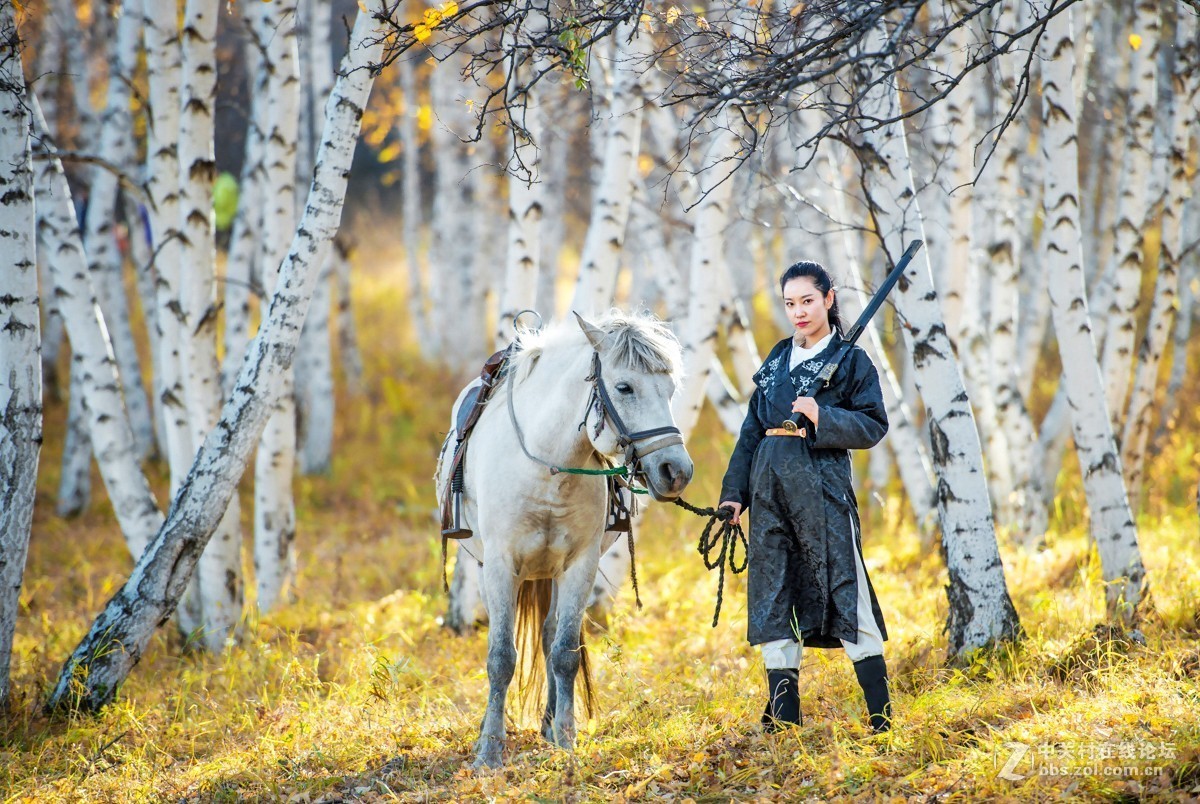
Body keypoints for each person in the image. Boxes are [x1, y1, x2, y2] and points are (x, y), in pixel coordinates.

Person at [717, 261, 893, 733]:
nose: (798, 311)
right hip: (769, 494)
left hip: (822, 495)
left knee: (845, 589)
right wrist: (734, 496)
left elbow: (874, 424)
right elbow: (751, 432)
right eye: (790, 303)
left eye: (807, 301)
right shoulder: (776, 358)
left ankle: (881, 719)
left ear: (829, 299)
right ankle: (785, 718)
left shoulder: (852, 360)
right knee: (774, 595)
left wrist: (822, 415)